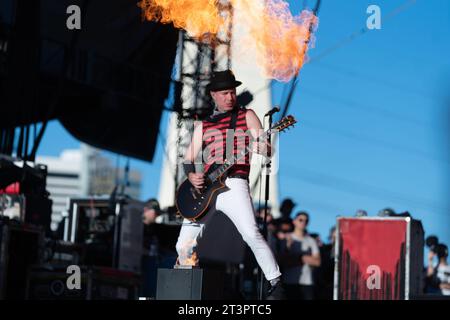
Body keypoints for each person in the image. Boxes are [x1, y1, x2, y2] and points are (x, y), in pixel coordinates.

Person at [174, 70, 285, 299]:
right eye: (224, 93)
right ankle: (187, 286)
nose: (230, 97)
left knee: (251, 232)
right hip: (206, 188)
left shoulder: (247, 115)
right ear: (213, 94)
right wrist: (192, 176)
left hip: (234, 183)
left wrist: (261, 147)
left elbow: (267, 148)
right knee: (183, 243)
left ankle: (276, 282)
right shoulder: (204, 125)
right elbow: (188, 157)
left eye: (232, 92)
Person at [277, 211, 321, 300]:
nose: (303, 222)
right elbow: (284, 261)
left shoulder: (311, 241)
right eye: (300, 220)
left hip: (307, 283)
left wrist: (297, 258)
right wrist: (304, 258)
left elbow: (317, 262)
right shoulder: (287, 239)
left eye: (306, 221)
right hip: (289, 282)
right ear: (294, 221)